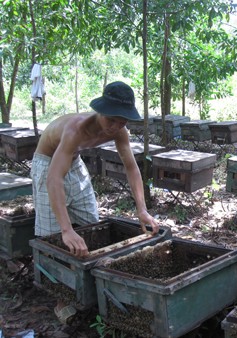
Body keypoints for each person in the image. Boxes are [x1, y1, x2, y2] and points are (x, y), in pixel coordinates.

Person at [31, 81, 160, 323]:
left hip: (75, 161)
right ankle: (62, 296)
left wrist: (142, 209)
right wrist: (66, 229)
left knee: (92, 226)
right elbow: (54, 179)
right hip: (48, 163)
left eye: (122, 121)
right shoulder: (74, 130)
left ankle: (90, 283)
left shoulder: (120, 130)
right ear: (100, 110)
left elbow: (132, 168)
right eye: (112, 120)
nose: (116, 126)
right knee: (54, 235)